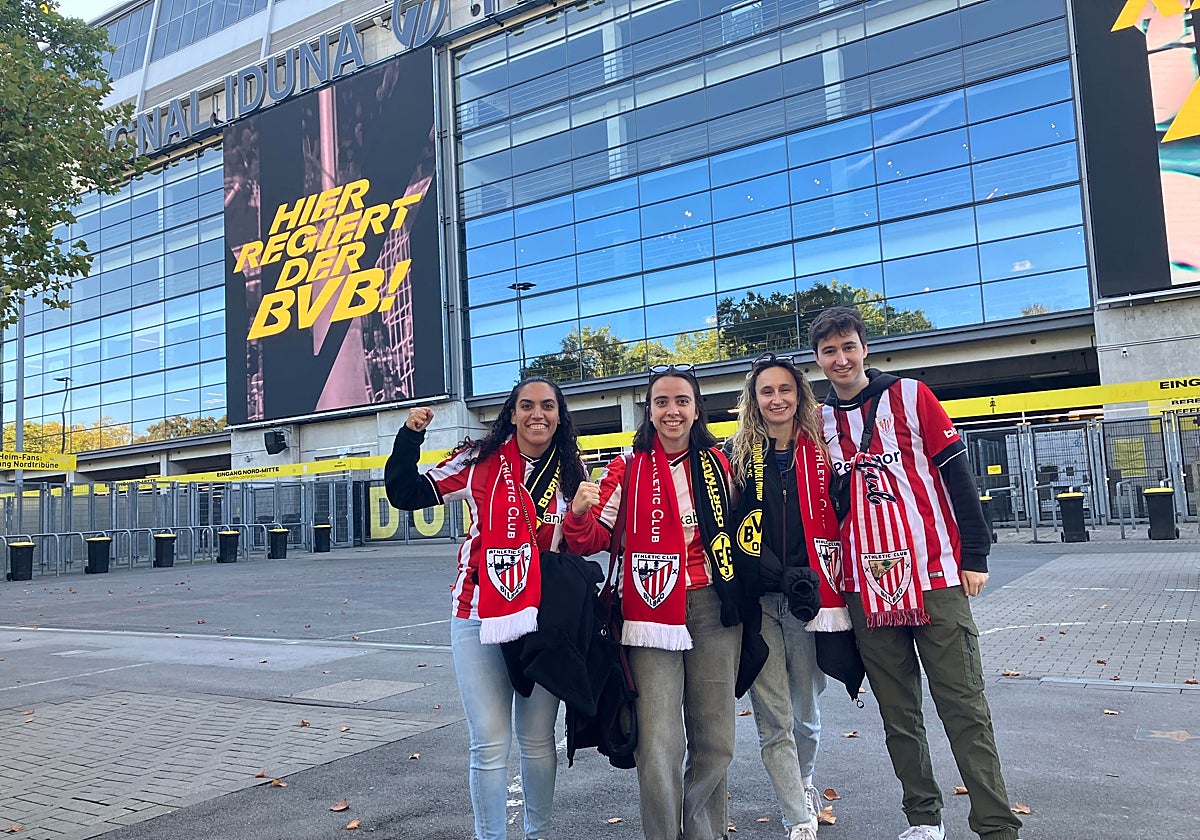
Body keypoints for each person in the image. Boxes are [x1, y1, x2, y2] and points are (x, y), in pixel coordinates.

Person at [810, 307, 1021, 840]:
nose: (841, 359)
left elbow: (957, 477)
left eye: (848, 346)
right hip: (865, 586)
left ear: (864, 348)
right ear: (818, 359)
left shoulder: (911, 396)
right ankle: (924, 819)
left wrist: (976, 554)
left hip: (933, 576)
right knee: (898, 713)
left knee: (964, 705)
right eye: (829, 351)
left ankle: (996, 824)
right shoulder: (818, 423)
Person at [383, 376, 593, 840]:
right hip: (478, 614)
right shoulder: (479, 461)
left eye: (547, 406)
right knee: (490, 744)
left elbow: (584, 542)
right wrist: (409, 436)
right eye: (526, 406)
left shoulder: (573, 471)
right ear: (511, 413)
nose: (537, 414)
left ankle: (539, 834)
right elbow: (406, 493)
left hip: (543, 619)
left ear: (559, 415)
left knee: (538, 743)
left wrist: (578, 515)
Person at [564, 364, 742, 840]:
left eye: (681, 401)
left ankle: (704, 832)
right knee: (660, 743)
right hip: (649, 608)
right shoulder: (627, 467)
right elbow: (592, 538)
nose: (671, 411)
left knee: (716, 738)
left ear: (696, 408)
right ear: (649, 409)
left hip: (712, 605)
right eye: (661, 402)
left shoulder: (721, 466)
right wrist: (577, 513)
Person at [727, 353, 847, 840]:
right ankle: (797, 816)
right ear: (753, 401)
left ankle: (805, 780)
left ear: (799, 394)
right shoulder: (736, 455)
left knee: (805, 713)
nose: (776, 399)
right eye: (766, 391)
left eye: (785, 390)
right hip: (759, 603)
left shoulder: (824, 446)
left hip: (808, 599)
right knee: (773, 718)